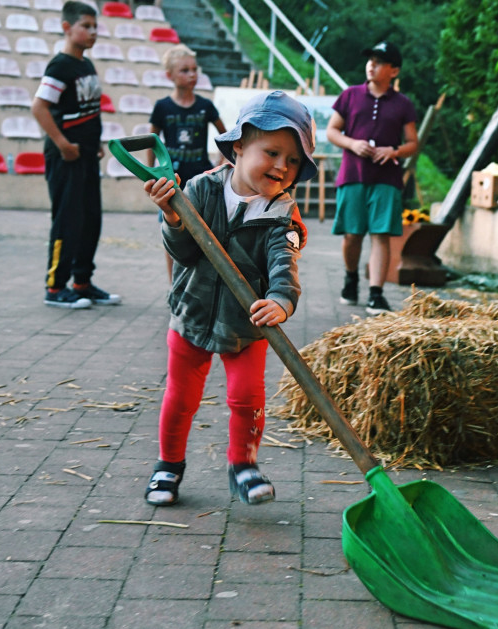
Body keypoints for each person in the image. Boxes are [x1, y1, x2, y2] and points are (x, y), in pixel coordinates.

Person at [140, 90, 317, 507]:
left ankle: (244, 464)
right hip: (192, 312)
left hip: (246, 323)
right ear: (238, 147)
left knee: (247, 397)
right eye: (272, 152)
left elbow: (283, 264)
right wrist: (171, 217)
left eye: (293, 161)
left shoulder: (281, 214)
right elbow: (182, 253)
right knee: (181, 397)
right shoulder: (200, 190)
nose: (281, 166)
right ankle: (168, 465)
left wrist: (281, 301)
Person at [32, 0, 119, 309]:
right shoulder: (60, 65)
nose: (93, 32)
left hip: (85, 156)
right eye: (86, 26)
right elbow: (39, 107)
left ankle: (82, 282)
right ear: (67, 28)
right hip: (65, 157)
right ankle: (55, 288)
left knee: (90, 219)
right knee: (67, 220)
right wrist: (62, 143)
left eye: (95, 26)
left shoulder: (86, 65)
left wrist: (93, 142)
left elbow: (88, 110)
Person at [326, 40, 418, 314]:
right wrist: (353, 144)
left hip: (387, 178)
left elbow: (413, 143)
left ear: (394, 71)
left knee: (381, 236)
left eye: (378, 61)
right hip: (353, 175)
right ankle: (351, 277)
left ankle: (376, 294)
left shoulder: (403, 104)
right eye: (370, 60)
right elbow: (332, 131)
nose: (371, 65)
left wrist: (394, 150)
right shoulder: (350, 95)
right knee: (352, 235)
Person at [148, 45, 227, 279]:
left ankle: (197, 282)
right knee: (171, 231)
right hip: (172, 182)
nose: (192, 74)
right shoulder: (162, 107)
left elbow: (225, 136)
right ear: (169, 75)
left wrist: (217, 165)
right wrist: (152, 175)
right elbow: (151, 142)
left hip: (201, 181)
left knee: (203, 234)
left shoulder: (205, 106)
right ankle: (174, 284)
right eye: (184, 70)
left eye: (194, 69)